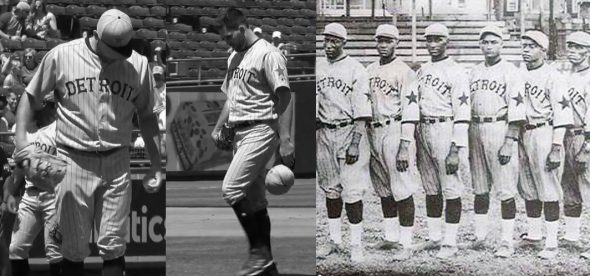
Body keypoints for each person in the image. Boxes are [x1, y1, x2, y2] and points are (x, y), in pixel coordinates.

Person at [13, 9, 162, 275]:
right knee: (72, 248)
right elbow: (30, 96)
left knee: (114, 246)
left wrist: (156, 164)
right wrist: (22, 137)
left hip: (117, 160)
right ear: (96, 36)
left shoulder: (138, 64)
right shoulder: (63, 56)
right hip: (73, 159)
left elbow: (148, 116)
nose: (120, 54)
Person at [211, 7, 294, 276]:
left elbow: (285, 97)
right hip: (240, 131)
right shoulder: (234, 56)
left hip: (261, 128)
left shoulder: (268, 54)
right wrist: (219, 126)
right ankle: (269, 268)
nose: (227, 41)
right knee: (256, 201)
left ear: (242, 28)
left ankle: (258, 252)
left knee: (231, 189)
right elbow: (231, 97)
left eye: (229, 36)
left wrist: (287, 139)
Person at [408, 23, 470, 259]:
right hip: (424, 128)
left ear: (447, 41)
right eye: (429, 40)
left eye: (438, 40)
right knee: (431, 188)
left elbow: (463, 113)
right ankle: (434, 237)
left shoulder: (456, 70)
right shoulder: (422, 69)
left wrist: (456, 148)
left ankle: (450, 242)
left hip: (446, 127)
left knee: (451, 188)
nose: (432, 44)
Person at [467, 25, 526, 258]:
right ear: (480, 45)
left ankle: (506, 241)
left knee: (505, 189)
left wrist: (510, 140)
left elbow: (517, 110)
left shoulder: (511, 72)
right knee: (480, 188)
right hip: (475, 128)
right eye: (485, 42)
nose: (489, 46)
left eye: (493, 42)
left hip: (499, 127)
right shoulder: (473, 71)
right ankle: (480, 236)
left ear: (501, 44)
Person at [315, 22, 372, 263]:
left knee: (352, 191)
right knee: (331, 191)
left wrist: (355, 143)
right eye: (326, 40)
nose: (329, 45)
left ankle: (357, 244)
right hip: (324, 133)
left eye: (335, 41)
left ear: (344, 43)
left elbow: (362, 113)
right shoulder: (317, 65)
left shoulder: (356, 69)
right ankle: (334, 241)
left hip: (349, 131)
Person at [516, 30, 573, 259]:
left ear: (543, 50)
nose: (526, 50)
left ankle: (551, 242)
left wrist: (557, 146)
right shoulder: (519, 74)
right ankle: (534, 234)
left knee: (548, 189)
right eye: (524, 45)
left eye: (532, 46)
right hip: (522, 132)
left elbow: (562, 114)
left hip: (544, 131)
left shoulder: (554, 76)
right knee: (528, 188)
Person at [364, 24, 419, 260]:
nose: (383, 45)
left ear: (397, 43)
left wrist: (405, 145)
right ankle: (390, 237)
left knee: (402, 188)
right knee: (384, 188)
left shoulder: (405, 71)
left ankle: (406, 242)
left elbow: (411, 110)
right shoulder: (368, 69)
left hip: (395, 128)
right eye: (380, 41)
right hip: (373, 131)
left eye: (388, 41)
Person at [4, 93, 62, 276]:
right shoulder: (26, 133)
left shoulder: (60, 130)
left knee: (55, 252)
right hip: (30, 195)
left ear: (44, 104)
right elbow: (17, 172)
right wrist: (8, 195)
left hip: (55, 197)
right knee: (16, 249)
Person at [558, 31, 590, 259]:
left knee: (587, 185)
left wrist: (587, 146)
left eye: (578, 47)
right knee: (568, 186)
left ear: (588, 51)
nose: (572, 50)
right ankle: (571, 235)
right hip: (564, 135)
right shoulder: (563, 75)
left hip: (582, 135)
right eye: (570, 45)